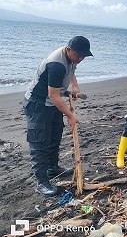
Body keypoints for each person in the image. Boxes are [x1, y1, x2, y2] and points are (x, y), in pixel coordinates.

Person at [23, 36, 93, 196]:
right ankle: (41, 182)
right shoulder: (56, 64)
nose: (80, 59)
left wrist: (74, 86)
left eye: (83, 56)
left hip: (53, 103)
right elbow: (53, 95)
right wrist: (70, 116)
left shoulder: (71, 58)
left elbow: (72, 70)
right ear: (69, 50)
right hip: (38, 104)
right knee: (39, 142)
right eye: (78, 56)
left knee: (55, 136)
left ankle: (52, 168)